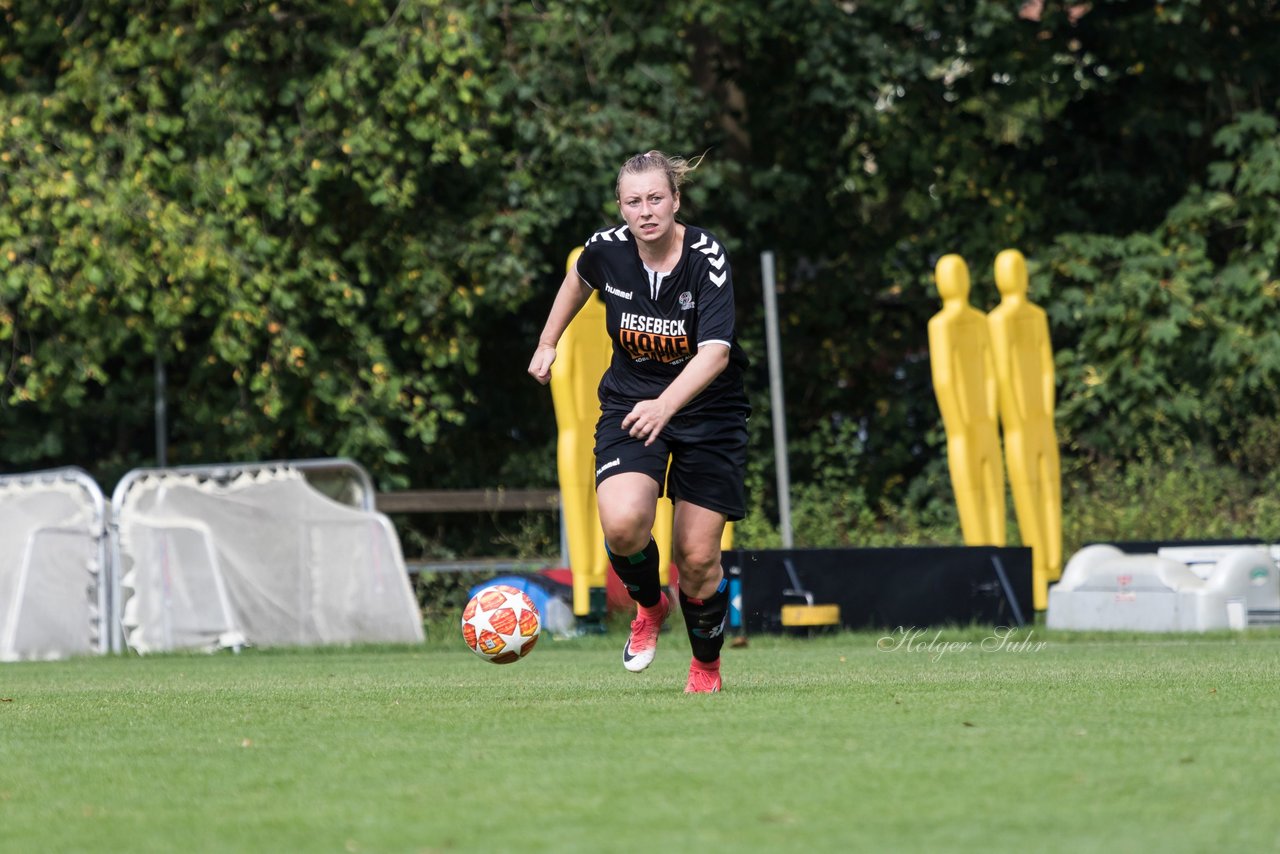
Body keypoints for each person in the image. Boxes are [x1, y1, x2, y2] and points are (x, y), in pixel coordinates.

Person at [528, 151, 750, 693]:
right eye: (634, 201)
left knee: (697, 558)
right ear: (621, 208)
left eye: (656, 198)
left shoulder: (706, 257)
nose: (646, 211)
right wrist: (548, 342)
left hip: (708, 411)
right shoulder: (606, 251)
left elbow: (716, 352)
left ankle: (706, 668)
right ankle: (650, 607)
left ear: (676, 200)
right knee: (624, 525)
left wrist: (667, 405)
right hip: (631, 401)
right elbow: (577, 281)